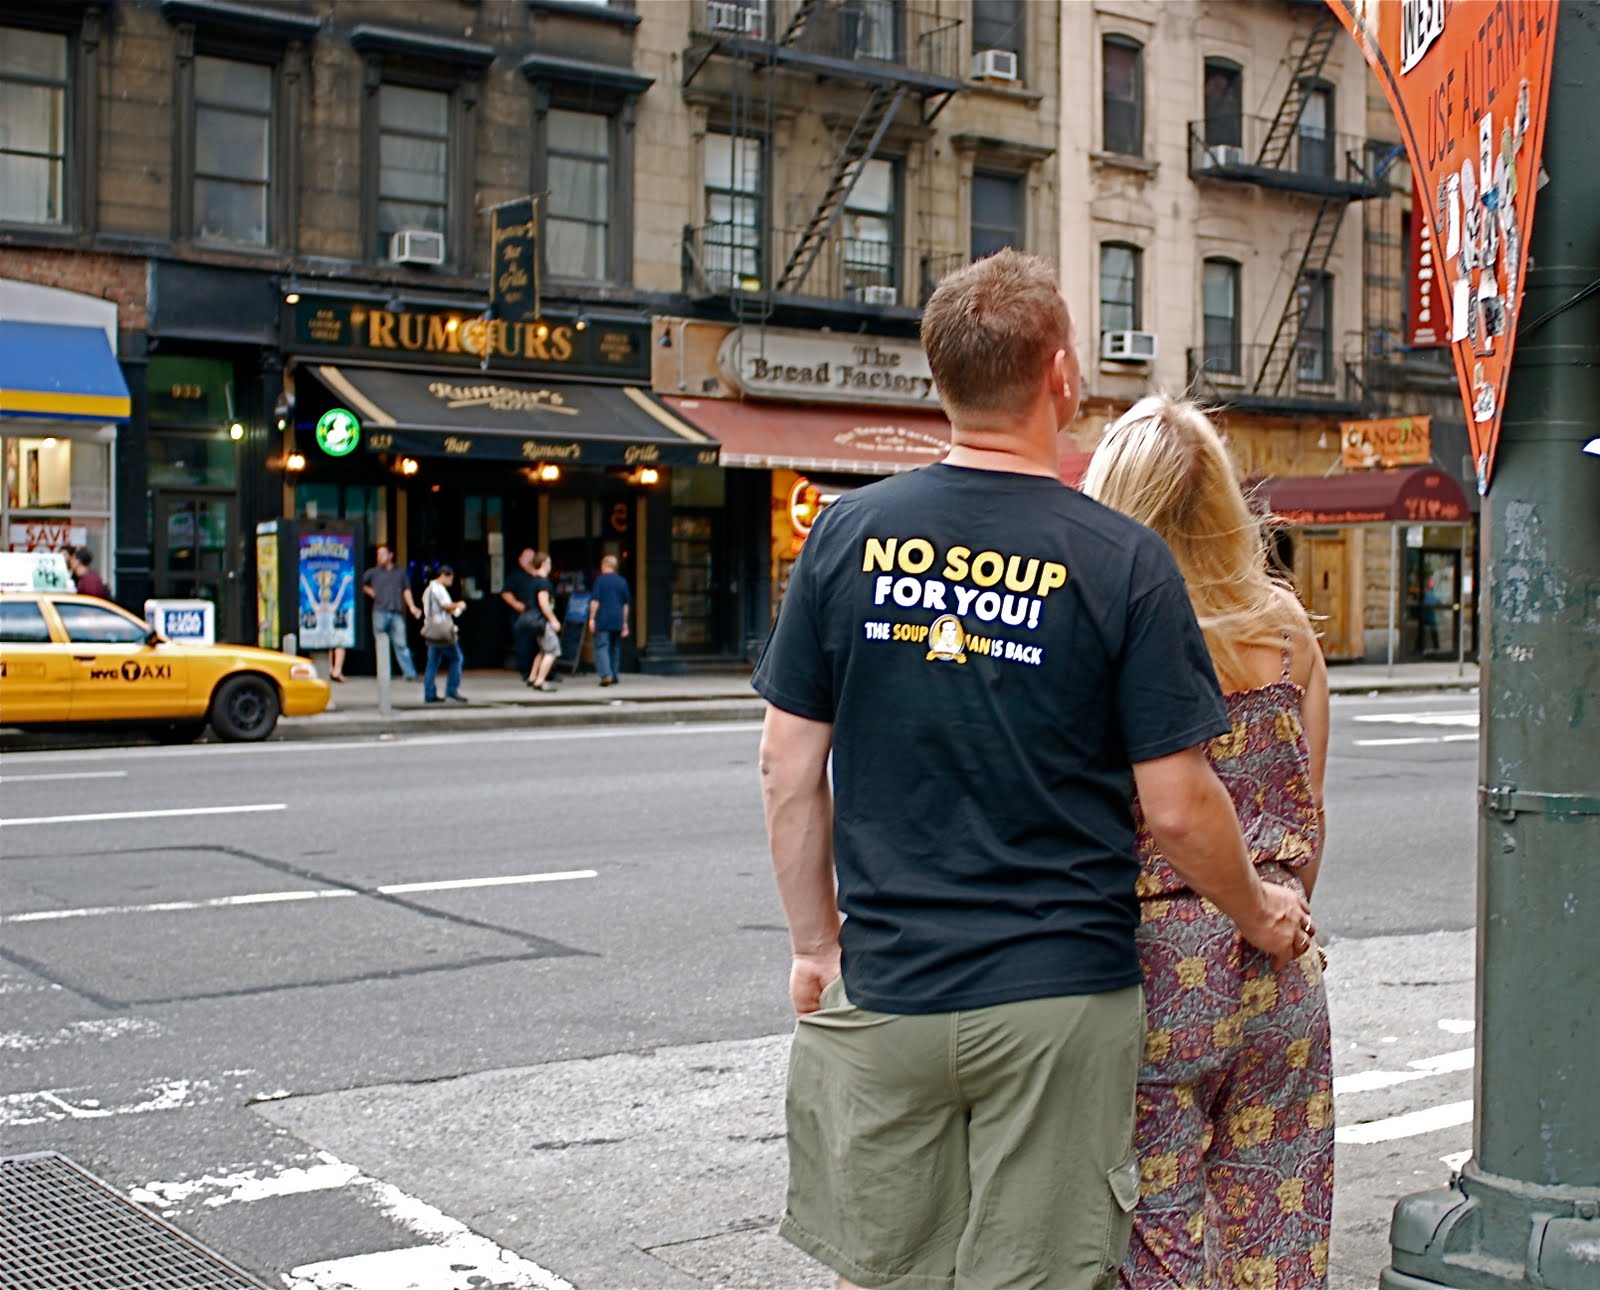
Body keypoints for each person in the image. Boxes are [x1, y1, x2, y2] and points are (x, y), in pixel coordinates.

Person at [752, 250, 1311, 1290]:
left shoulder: (843, 536)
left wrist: (813, 946)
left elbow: (787, 769)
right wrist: (1255, 912)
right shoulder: (1118, 559)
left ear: (939, 379)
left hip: (890, 986)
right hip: (1059, 1002)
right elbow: (1182, 809)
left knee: (892, 1271)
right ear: (1061, 376)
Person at [1082, 396, 1333, 1290]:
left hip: (1149, 968)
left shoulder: (1103, 629)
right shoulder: (1286, 629)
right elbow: (1309, 820)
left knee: (1154, 1238)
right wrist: (1278, 912)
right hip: (1280, 955)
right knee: (1278, 1222)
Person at [502, 548, 561, 688]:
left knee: (542, 650)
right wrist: (553, 620)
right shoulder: (543, 583)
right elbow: (544, 603)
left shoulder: (532, 581)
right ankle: (540, 680)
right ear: (544, 563)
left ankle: (532, 677)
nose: (550, 565)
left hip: (531, 620)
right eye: (549, 562)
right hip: (541, 620)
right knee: (552, 650)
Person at [362, 545, 421, 681]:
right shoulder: (373, 572)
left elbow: (406, 590)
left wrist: (412, 606)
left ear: (390, 555)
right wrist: (371, 592)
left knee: (401, 644)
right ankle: (383, 673)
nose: (379, 557)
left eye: (382, 554)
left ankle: (409, 673)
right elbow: (360, 583)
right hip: (380, 611)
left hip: (396, 612)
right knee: (381, 643)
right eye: (378, 554)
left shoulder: (400, 573)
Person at [420, 565, 467, 704]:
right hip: (442, 630)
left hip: (433, 630)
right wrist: (459, 605)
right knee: (457, 658)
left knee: (433, 662)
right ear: (444, 575)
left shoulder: (429, 590)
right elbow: (445, 605)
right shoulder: (437, 588)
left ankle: (429, 693)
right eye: (450, 578)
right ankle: (451, 690)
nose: (451, 581)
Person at [587, 554, 631, 686]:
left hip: (603, 618)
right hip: (617, 618)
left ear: (604, 565)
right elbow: (625, 604)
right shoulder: (622, 581)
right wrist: (624, 622)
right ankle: (614, 674)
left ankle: (606, 675)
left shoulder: (600, 580)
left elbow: (595, 601)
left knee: (602, 646)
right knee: (615, 647)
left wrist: (591, 618)